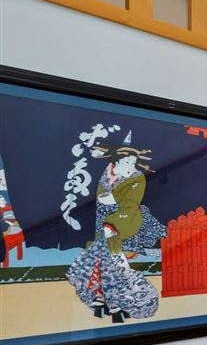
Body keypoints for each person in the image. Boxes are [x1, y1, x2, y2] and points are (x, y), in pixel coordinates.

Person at [66, 138, 166, 323]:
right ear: (117, 160)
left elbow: (130, 205)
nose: (131, 165)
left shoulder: (137, 178)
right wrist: (105, 213)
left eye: (133, 162)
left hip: (123, 221)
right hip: (103, 220)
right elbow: (99, 200)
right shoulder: (106, 174)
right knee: (101, 261)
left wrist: (113, 222)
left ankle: (116, 303)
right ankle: (104, 301)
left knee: (113, 260)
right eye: (128, 161)